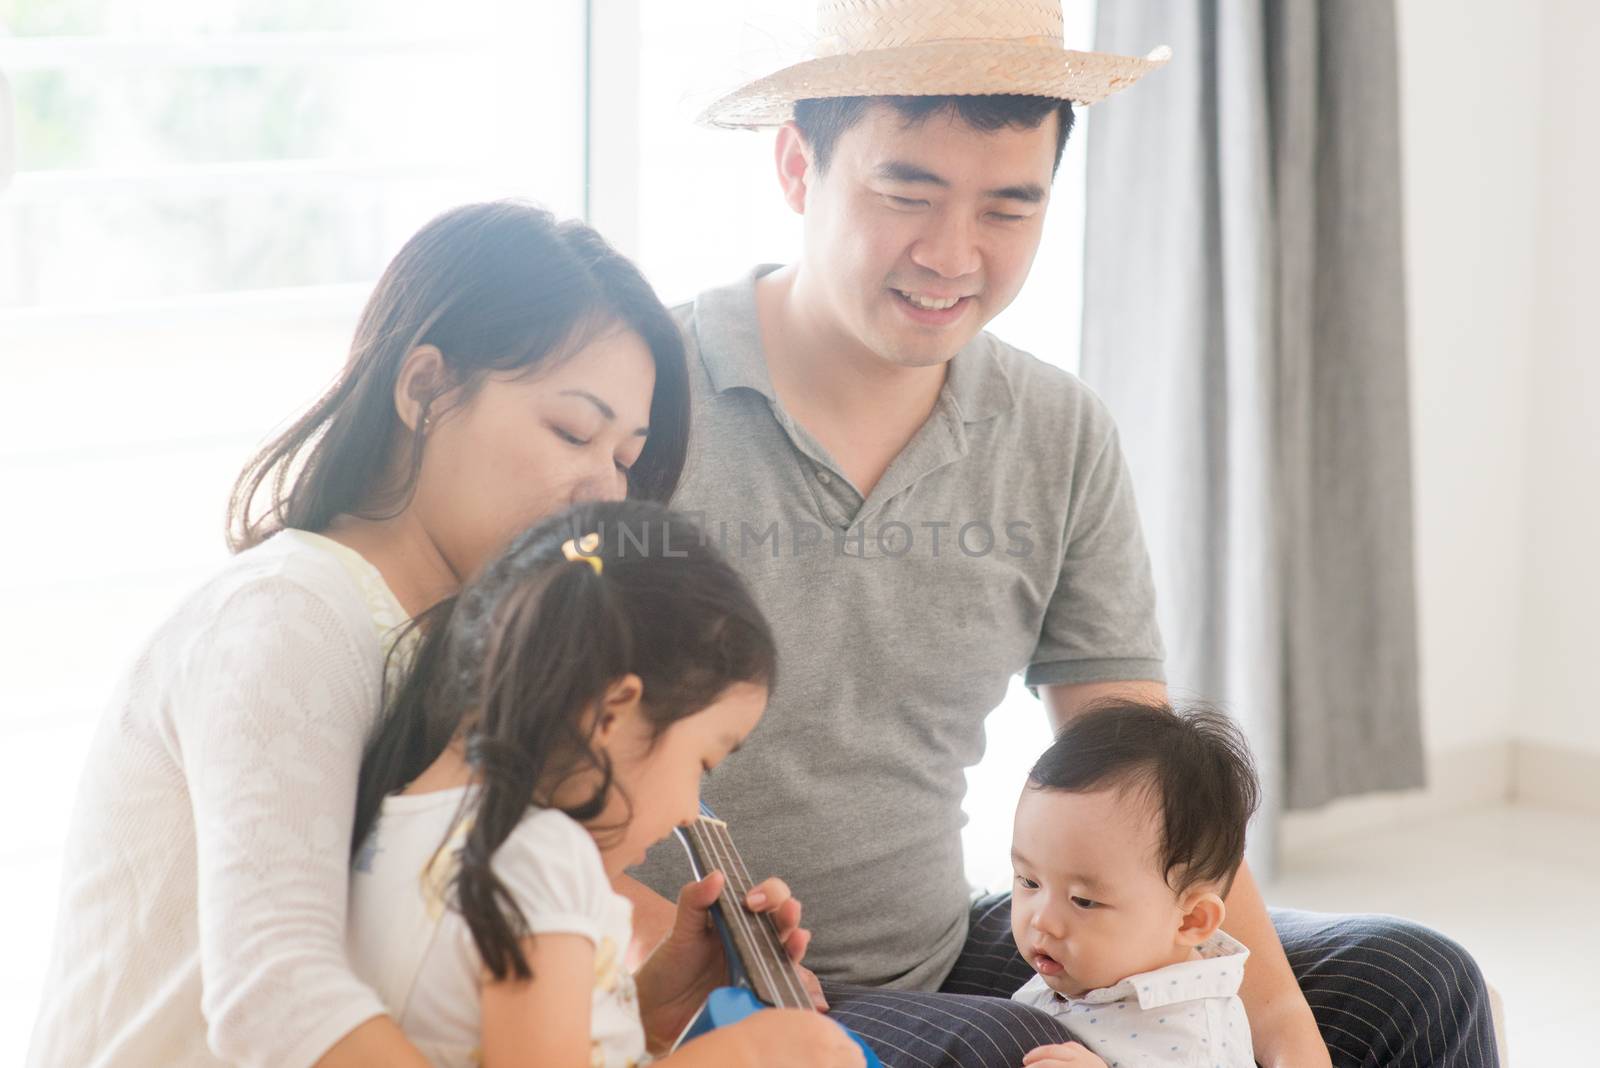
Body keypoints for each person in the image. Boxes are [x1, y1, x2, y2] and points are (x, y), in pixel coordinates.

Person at [628, 2, 1499, 1065]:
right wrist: (659, 969)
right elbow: (502, 779)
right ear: (797, 167)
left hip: (950, 948)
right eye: (907, 192)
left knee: (1412, 978)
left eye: (1008, 207)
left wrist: (1275, 1025)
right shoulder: (637, 405)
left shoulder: (1053, 429)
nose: (953, 255)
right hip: (736, 989)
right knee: (1017, 1056)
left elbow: (1148, 793)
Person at [29, 200, 694, 1067]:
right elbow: (277, 1001)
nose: (604, 492)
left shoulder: (459, 661)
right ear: (424, 389)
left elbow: (432, 998)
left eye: (625, 459)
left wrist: (649, 1003)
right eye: (573, 430)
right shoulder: (287, 619)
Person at [345, 500, 863, 1067]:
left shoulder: (397, 824)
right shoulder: (540, 855)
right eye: (702, 763)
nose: (691, 811)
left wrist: (654, 1002)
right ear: (612, 713)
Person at [1008, 702, 1259, 1068]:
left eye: (1084, 901)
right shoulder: (1079, 973)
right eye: (1029, 881)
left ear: (1190, 921)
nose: (1041, 920)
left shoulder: (1195, 1035)